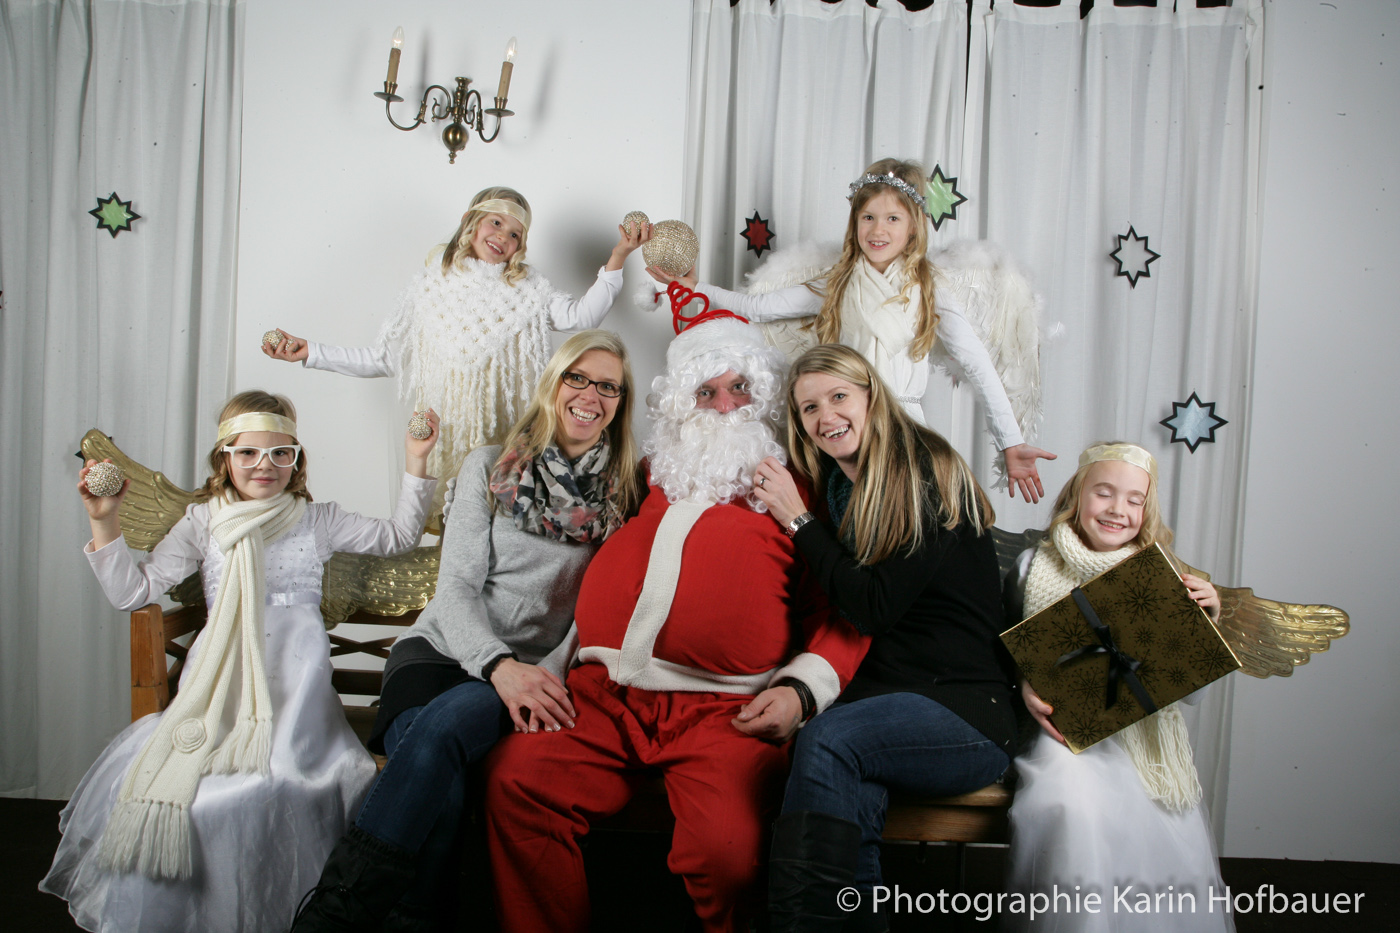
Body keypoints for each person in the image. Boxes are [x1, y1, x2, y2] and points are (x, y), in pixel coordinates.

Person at [483, 300, 869, 933]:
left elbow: (845, 609)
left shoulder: (799, 491)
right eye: (705, 391)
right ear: (681, 404)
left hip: (724, 712)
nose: (722, 406)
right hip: (604, 697)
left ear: (764, 401)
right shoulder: (650, 474)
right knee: (517, 782)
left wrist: (802, 692)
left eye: (740, 388)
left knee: (727, 854)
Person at [41, 391, 439, 933]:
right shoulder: (203, 521)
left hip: (295, 687)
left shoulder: (317, 520)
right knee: (202, 795)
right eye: (247, 452)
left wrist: (416, 459)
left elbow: (399, 536)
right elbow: (133, 593)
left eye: (280, 454)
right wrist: (105, 521)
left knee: (287, 783)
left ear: (296, 460)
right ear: (224, 457)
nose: (263, 466)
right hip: (222, 684)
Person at [288, 330, 643, 933]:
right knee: (444, 789)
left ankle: (334, 915)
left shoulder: (626, 491)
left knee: (443, 739)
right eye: (577, 378)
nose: (590, 395)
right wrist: (497, 666)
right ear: (554, 384)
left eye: (608, 387)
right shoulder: (489, 465)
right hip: (441, 651)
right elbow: (455, 588)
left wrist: (543, 674)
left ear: (620, 403)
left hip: (532, 669)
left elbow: (600, 610)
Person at [749, 344, 1019, 932]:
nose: (826, 416)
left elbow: (870, 607)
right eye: (809, 408)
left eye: (839, 397)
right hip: (891, 701)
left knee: (830, 741)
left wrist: (798, 521)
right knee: (845, 792)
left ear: (872, 397)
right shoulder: (840, 485)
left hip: (966, 710)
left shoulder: (926, 469)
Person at [650, 158, 1056, 503]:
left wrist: (1010, 441)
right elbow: (760, 307)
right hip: (844, 432)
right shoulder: (838, 283)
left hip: (903, 432)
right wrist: (698, 289)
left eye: (892, 219)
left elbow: (977, 364)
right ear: (856, 222)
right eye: (868, 218)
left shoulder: (930, 288)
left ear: (913, 227)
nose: (878, 230)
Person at [264, 186, 650, 494]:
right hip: (441, 433)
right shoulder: (433, 285)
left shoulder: (527, 290)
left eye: (514, 234)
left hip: (502, 435)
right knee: (445, 522)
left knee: (493, 514)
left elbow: (583, 317)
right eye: (495, 223)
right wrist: (311, 352)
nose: (502, 237)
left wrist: (619, 256)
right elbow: (387, 359)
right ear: (470, 221)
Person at [1002, 442, 1233, 933]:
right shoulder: (1030, 567)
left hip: (1139, 740)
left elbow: (1189, 692)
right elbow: (1004, 650)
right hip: (1064, 735)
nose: (1117, 509)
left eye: (1134, 499)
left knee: (1157, 819)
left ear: (1147, 511)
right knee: (1068, 805)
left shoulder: (1164, 577)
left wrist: (1205, 624)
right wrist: (1024, 681)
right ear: (1077, 496)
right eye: (1103, 492)